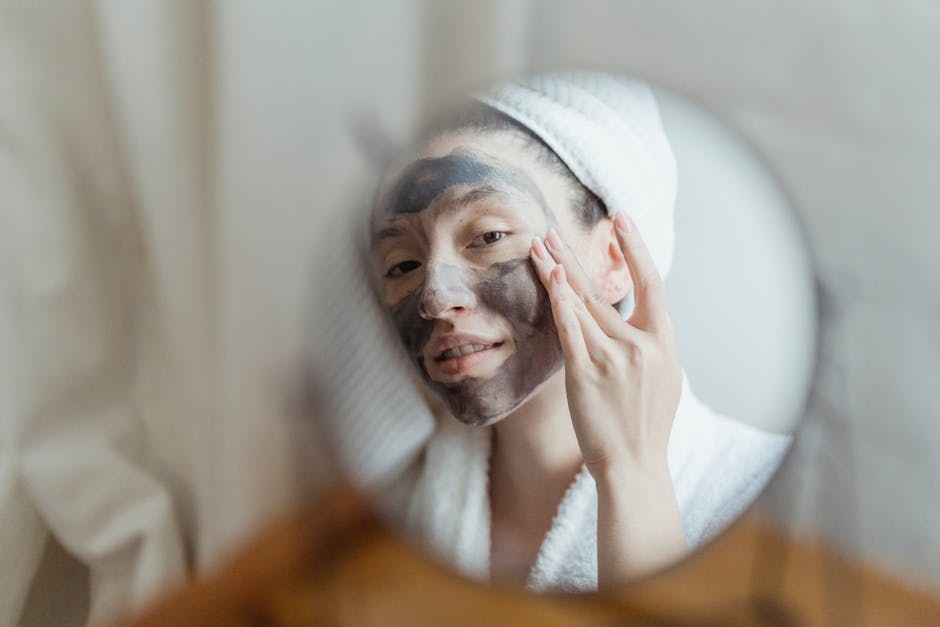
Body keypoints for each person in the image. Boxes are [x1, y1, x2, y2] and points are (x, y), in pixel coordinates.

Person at [365, 72, 791, 592]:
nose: (434, 298)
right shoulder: (392, 514)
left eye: (490, 236)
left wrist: (632, 475)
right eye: (402, 265)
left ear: (614, 260)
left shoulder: (777, 501)